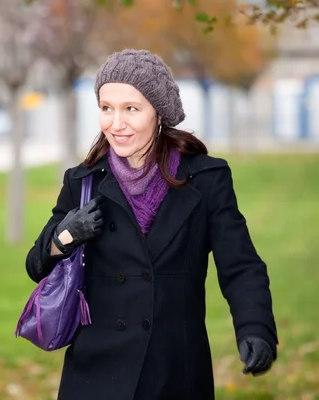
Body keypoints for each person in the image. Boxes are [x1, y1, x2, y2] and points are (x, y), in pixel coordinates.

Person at [24, 49, 278, 400]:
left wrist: (256, 328)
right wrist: (67, 234)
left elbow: (241, 266)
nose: (116, 123)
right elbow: (36, 265)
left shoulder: (205, 179)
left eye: (131, 108)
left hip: (174, 369)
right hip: (96, 374)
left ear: (158, 113)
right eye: (106, 108)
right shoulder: (83, 182)